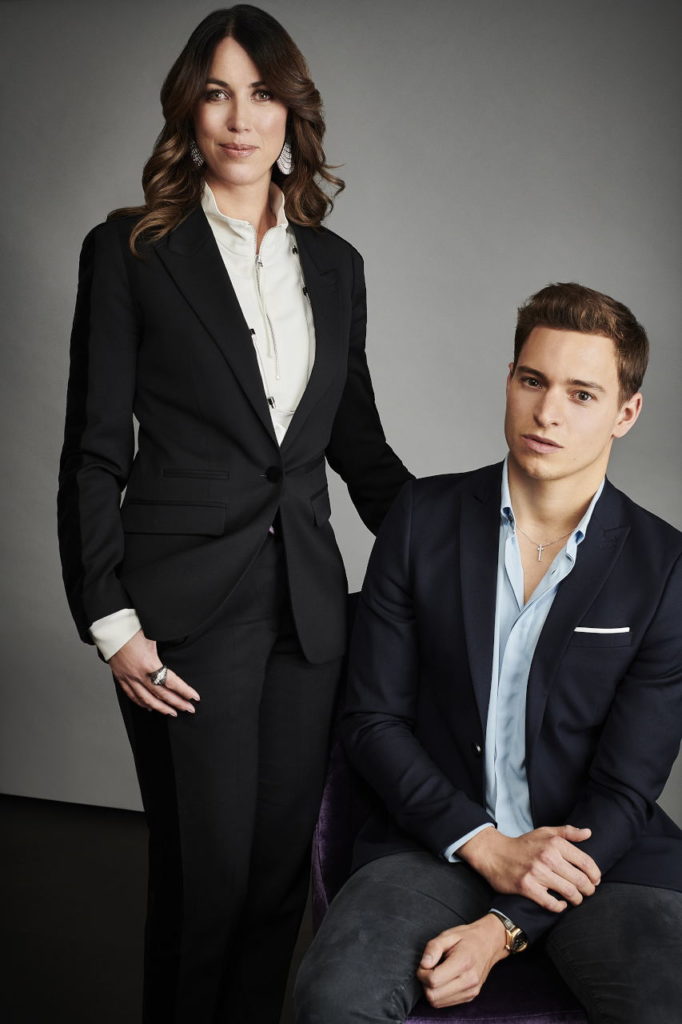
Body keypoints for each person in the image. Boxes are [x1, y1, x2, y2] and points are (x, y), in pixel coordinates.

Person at [57, 6, 412, 1022]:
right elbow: (94, 450)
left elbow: (359, 448)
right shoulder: (130, 249)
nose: (240, 117)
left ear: (292, 113)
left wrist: (467, 537)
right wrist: (111, 621)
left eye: (261, 94)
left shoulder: (335, 267)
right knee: (203, 882)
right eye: (217, 93)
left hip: (307, 611)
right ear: (189, 109)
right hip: (183, 614)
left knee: (272, 882)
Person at [295, 282, 682, 1024]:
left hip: (599, 860)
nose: (547, 413)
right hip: (432, 843)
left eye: (581, 394)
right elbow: (373, 720)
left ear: (626, 413)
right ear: (509, 381)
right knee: (333, 1002)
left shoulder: (663, 569)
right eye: (533, 381)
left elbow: (627, 788)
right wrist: (482, 843)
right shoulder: (421, 519)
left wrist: (503, 929)